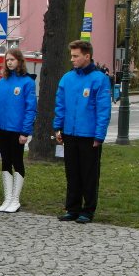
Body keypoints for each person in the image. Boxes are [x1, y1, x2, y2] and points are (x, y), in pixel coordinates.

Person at [54, 40, 111, 224]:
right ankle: (72, 208)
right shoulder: (67, 78)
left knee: (89, 174)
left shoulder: (99, 79)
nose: (72, 59)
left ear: (87, 56)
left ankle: (88, 210)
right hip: (70, 133)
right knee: (72, 173)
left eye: (76, 56)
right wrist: (58, 127)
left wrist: (99, 135)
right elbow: (60, 105)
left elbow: (103, 110)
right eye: (71, 56)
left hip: (89, 135)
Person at [0, 48, 37, 213]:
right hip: (2, 128)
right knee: (5, 161)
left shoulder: (27, 82)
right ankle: (7, 198)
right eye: (7, 60)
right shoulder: (3, 82)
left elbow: (30, 109)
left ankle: (15, 199)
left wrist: (25, 131)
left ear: (20, 61)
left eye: (12, 59)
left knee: (17, 161)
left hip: (17, 130)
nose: (9, 62)